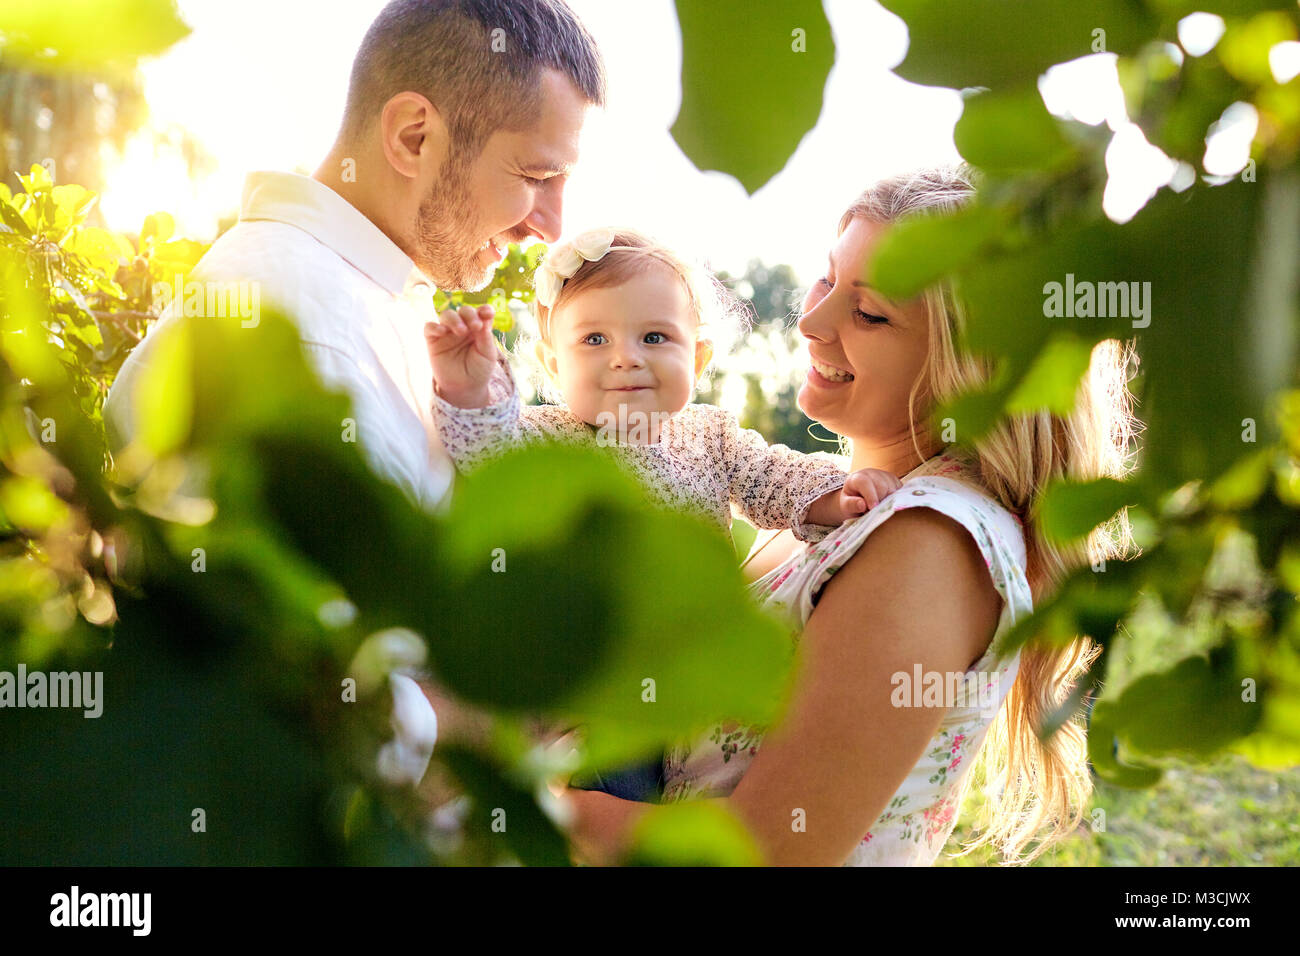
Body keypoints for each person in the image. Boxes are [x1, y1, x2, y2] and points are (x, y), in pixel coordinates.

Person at [560, 166, 1137, 866]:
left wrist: (530, 798)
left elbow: (764, 853)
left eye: (869, 314)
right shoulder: (837, 507)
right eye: (827, 282)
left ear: (971, 367)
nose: (810, 322)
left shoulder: (931, 543)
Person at [103, 0, 606, 785]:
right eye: (536, 177)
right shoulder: (284, 322)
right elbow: (254, 689)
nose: (550, 224)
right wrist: (483, 720)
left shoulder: (381, 307)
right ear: (414, 136)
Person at [425, 226, 902, 543]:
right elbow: (487, 455)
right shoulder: (548, 437)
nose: (626, 358)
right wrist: (468, 390)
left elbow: (776, 480)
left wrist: (841, 494)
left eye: (655, 337)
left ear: (698, 359)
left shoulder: (712, 439)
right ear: (553, 365)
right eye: (594, 339)